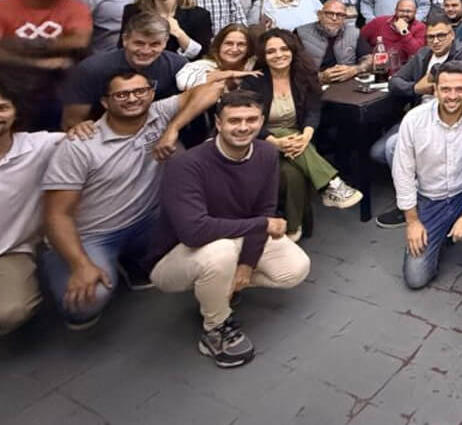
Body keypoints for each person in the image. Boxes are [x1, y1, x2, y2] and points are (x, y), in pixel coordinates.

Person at [41, 70, 227, 330]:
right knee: (86, 302)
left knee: (206, 220)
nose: (133, 99)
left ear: (151, 94)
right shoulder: (80, 145)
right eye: (122, 94)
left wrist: (172, 129)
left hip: (148, 219)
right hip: (91, 234)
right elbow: (55, 215)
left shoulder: (158, 114)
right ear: (105, 102)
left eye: (140, 91)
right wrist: (80, 265)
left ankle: (133, 261)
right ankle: (71, 264)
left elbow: (211, 89)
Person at [144, 89, 310, 368]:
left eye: (251, 120)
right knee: (218, 253)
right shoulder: (186, 165)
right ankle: (215, 327)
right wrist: (261, 225)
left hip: (235, 236)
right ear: (218, 124)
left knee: (295, 268)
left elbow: (264, 210)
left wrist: (246, 265)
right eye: (234, 121)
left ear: (261, 121)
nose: (243, 127)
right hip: (176, 255)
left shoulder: (267, 153)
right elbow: (193, 232)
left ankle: (218, 287)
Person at [392, 61, 462, 287]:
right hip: (431, 199)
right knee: (416, 278)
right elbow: (402, 174)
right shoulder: (414, 120)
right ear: (434, 89)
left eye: (460, 89)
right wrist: (412, 222)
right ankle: (444, 230)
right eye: (445, 89)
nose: (452, 96)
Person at [241, 30, 362, 240]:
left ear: (293, 51)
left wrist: (306, 136)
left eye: (283, 49)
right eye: (271, 51)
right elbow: (249, 120)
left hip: (296, 142)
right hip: (259, 140)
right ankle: (331, 184)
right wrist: (275, 141)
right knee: (283, 132)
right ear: (263, 55)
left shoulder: (304, 76)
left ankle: (292, 228)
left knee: (291, 174)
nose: (278, 55)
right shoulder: (255, 81)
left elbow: (314, 110)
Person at [370, 17, 462, 230]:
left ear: (452, 35)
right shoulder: (423, 54)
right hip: (418, 116)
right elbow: (395, 82)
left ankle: (410, 205)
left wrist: (433, 77)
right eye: (431, 37)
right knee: (377, 152)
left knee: (392, 147)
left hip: (451, 117)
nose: (436, 41)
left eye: (441, 35)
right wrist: (416, 88)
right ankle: (419, 190)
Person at [0, 83, 64, 334]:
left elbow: (89, 137)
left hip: (10, 251)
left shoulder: (39, 146)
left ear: (16, 113)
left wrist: (83, 127)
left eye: (3, 108)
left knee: (12, 311)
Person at [0, 0, 92, 130]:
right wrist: (40, 61)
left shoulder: (75, 7)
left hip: (58, 83)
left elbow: (79, 41)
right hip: (12, 82)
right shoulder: (4, 7)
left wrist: (14, 44)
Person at [61, 12, 188, 129]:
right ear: (125, 40)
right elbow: (72, 122)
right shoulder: (91, 69)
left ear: (165, 43)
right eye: (139, 43)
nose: (145, 51)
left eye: (154, 44)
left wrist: (173, 130)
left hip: (160, 133)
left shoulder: (178, 66)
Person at [120, 0, 212, 60]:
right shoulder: (133, 12)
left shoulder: (199, 15)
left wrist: (178, 33)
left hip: (184, 71)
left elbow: (203, 54)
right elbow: (123, 47)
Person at [295, 0, 368, 82]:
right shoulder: (301, 33)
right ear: (319, 14)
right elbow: (291, 68)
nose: (334, 18)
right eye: (329, 13)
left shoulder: (353, 33)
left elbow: (369, 59)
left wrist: (355, 69)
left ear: (345, 18)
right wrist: (320, 77)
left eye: (340, 15)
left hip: (347, 83)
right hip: (313, 84)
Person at [176, 23, 257, 91]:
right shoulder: (202, 65)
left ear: (248, 48)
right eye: (229, 43)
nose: (234, 49)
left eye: (241, 44)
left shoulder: (253, 67)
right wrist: (229, 74)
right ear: (219, 46)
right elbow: (183, 83)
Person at [361, 0, 427, 73]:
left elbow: (417, 53)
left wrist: (404, 32)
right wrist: (368, 56)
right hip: (379, 70)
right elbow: (360, 38)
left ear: (415, 13)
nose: (405, 14)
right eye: (402, 11)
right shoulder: (379, 22)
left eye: (409, 11)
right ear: (395, 11)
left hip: (405, 72)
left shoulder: (420, 27)